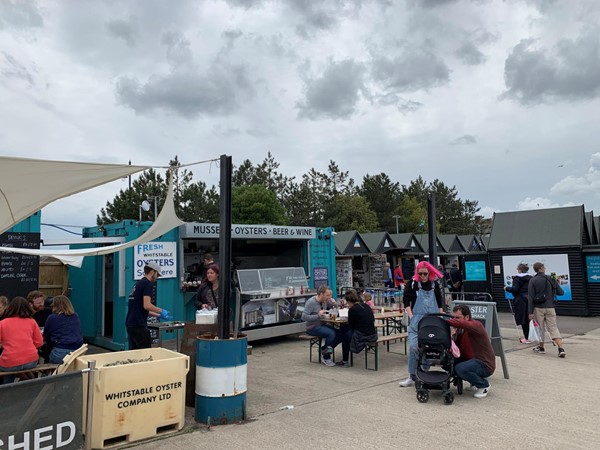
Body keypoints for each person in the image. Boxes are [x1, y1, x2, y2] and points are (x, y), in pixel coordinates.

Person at [399, 261, 444, 387]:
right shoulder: (412, 284)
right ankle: (412, 375)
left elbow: (440, 303)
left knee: (429, 347)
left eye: (425, 273)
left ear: (429, 273)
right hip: (416, 321)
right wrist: (411, 316)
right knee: (414, 347)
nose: (423, 276)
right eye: (420, 274)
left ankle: (424, 372)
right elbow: (406, 301)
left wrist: (441, 316)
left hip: (432, 321)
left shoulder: (434, 284)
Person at [447, 304, 496, 399]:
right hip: (471, 360)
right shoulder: (460, 330)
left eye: (458, 317)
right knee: (447, 360)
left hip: (484, 364)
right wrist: (453, 337)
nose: (455, 320)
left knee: (460, 369)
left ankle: (484, 386)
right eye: (454, 317)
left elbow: (463, 324)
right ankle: (473, 382)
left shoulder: (476, 325)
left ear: (467, 317)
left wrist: (445, 321)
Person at [125, 262, 172, 350]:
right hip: (139, 325)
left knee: (134, 354)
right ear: (152, 272)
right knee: (145, 354)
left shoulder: (137, 284)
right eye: (157, 275)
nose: (157, 278)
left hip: (130, 324)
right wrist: (161, 311)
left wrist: (159, 315)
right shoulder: (147, 284)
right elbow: (147, 305)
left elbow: (141, 308)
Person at [0, 296, 43, 384]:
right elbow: (39, 342)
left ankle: (7, 389)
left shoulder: (3, 323)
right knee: (22, 366)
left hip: (9, 362)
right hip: (31, 361)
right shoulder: (32, 321)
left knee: (8, 368)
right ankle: (30, 383)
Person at [528, 262, 566, 357]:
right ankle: (560, 348)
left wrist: (530, 312)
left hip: (538, 308)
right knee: (553, 327)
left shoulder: (533, 280)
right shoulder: (551, 279)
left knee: (540, 328)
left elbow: (531, 297)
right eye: (544, 267)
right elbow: (561, 292)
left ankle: (541, 347)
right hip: (550, 307)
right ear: (541, 268)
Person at [301, 284, 342, 367]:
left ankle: (323, 350)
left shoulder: (325, 301)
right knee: (331, 334)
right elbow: (303, 317)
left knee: (340, 333)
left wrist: (334, 303)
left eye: (330, 295)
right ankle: (326, 357)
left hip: (323, 324)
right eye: (327, 295)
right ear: (321, 294)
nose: (329, 297)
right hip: (312, 327)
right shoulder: (311, 302)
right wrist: (318, 315)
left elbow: (334, 308)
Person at [42, 295, 84, 364]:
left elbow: (46, 334)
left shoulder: (52, 318)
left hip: (60, 351)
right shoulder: (75, 316)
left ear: (55, 306)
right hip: (77, 351)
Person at [504, 263, 532, 343]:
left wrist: (507, 288)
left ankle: (527, 338)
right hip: (530, 299)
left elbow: (515, 289)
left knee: (523, 319)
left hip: (521, 300)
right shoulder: (531, 277)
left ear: (519, 269)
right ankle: (533, 336)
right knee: (530, 318)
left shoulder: (517, 278)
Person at [345, 289, 377, 358]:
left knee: (345, 336)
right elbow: (373, 319)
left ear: (348, 301)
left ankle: (345, 359)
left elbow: (351, 326)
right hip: (373, 334)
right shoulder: (366, 306)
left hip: (363, 336)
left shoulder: (352, 309)